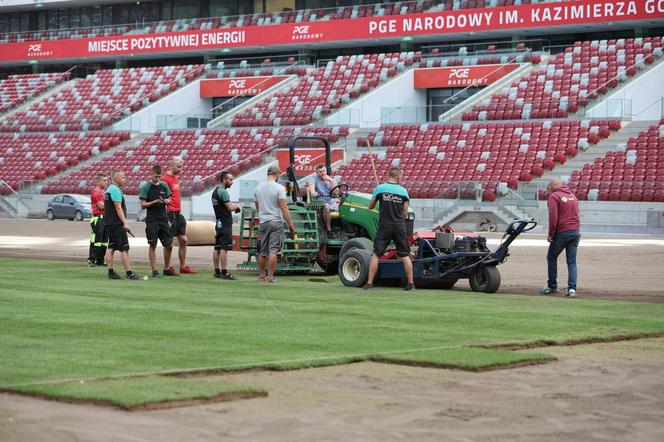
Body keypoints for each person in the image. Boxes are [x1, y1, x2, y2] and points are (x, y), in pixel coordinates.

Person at [364, 167, 415, 291]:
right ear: (398, 177)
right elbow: (405, 211)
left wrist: (381, 201)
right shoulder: (403, 191)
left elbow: (370, 206)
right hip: (399, 226)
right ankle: (411, 284)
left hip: (384, 225)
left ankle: (369, 283)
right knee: (405, 254)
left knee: (376, 254)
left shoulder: (380, 188)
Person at [539, 178, 581, 298]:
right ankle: (572, 289)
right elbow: (577, 214)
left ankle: (552, 286)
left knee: (551, 257)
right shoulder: (573, 196)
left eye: (549, 187)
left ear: (552, 186)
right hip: (575, 231)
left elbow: (553, 217)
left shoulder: (554, 196)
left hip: (562, 232)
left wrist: (551, 234)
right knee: (572, 262)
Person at [254, 165, 296, 283]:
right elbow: (284, 207)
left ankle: (261, 276)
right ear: (276, 174)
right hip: (276, 221)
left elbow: (258, 207)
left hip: (263, 221)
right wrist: (291, 225)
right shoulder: (279, 188)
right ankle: (270, 277)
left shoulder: (258, 188)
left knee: (262, 251)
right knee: (273, 251)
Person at [139, 165, 178, 278]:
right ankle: (154, 270)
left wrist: (167, 201)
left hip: (163, 219)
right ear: (151, 174)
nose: (157, 179)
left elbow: (170, 199)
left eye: (159, 177)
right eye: (156, 177)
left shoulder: (164, 185)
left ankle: (166, 268)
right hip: (152, 220)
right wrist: (155, 201)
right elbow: (143, 204)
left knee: (169, 245)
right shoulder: (146, 187)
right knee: (153, 244)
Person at [161, 156, 197, 274]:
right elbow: (162, 196)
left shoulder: (176, 178)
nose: (181, 169)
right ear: (172, 165)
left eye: (182, 167)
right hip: (169, 212)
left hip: (177, 212)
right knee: (169, 242)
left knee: (183, 239)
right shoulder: (165, 179)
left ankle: (183, 267)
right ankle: (168, 266)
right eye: (178, 167)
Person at [104, 170, 140, 280]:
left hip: (109, 223)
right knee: (124, 248)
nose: (125, 179)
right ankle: (129, 273)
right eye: (123, 177)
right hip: (117, 224)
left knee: (111, 247)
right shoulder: (115, 190)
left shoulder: (108, 189)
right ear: (117, 178)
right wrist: (125, 222)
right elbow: (118, 207)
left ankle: (111, 272)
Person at [211, 170, 242, 280]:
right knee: (224, 248)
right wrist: (237, 206)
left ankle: (217, 272)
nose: (232, 182)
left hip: (218, 222)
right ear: (224, 180)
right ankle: (224, 273)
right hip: (225, 223)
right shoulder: (223, 192)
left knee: (217, 248)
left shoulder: (215, 191)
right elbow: (229, 207)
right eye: (230, 179)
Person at [306, 163, 338, 236]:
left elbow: (335, 193)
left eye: (324, 171)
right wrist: (314, 192)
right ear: (317, 172)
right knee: (327, 207)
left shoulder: (330, 179)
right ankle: (328, 229)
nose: (323, 173)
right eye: (320, 172)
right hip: (318, 201)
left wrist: (332, 181)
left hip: (331, 200)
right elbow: (312, 189)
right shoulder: (313, 178)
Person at [88, 173, 108, 267]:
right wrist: (110, 206)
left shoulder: (104, 192)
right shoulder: (96, 191)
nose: (106, 182)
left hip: (104, 218)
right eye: (104, 181)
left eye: (106, 180)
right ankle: (92, 260)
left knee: (104, 240)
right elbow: (101, 206)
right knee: (97, 239)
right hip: (98, 217)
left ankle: (100, 260)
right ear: (98, 181)